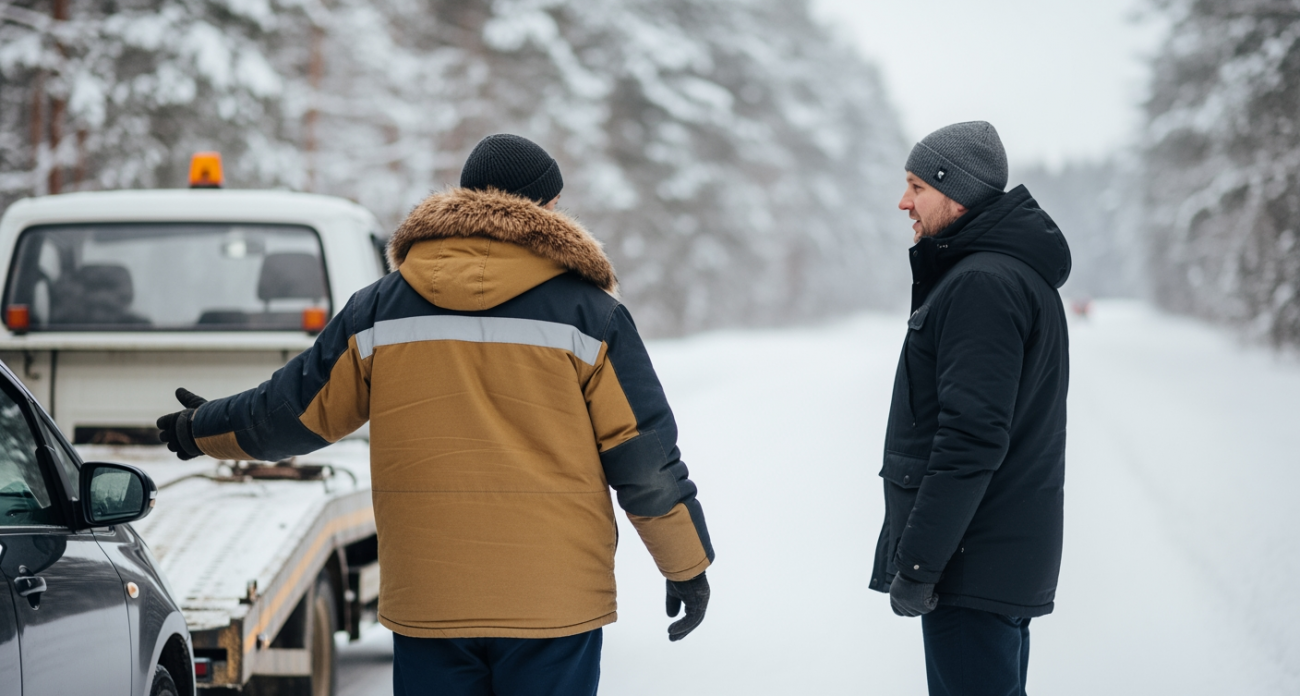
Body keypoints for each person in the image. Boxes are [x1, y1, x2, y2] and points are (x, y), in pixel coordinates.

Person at [156, 134, 715, 696]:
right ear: (545, 208)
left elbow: (290, 413)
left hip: (430, 599)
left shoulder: (380, 309)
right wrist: (685, 565)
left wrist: (202, 427)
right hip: (554, 603)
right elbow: (644, 459)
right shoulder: (591, 315)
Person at [868, 121, 1070, 696]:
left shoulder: (983, 283)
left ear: (954, 191)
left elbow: (971, 437)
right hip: (990, 560)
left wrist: (919, 565)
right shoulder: (1011, 276)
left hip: (969, 564)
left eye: (916, 187)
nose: (903, 201)